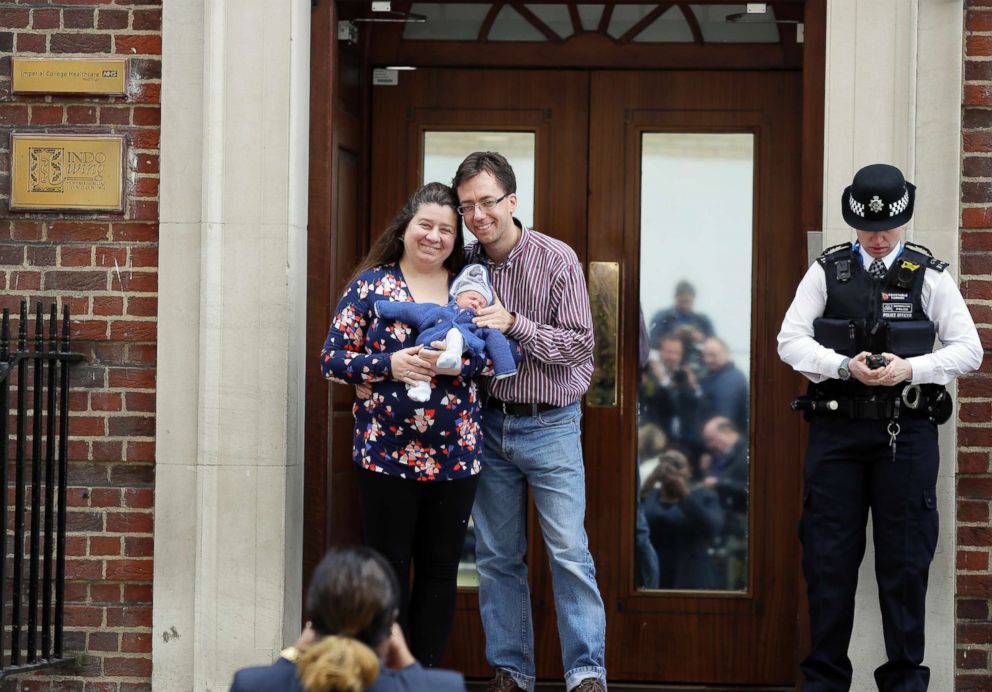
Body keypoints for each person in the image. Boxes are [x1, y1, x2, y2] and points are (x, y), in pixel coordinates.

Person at [777, 163, 982, 691]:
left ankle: (905, 682)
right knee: (828, 563)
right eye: (868, 229)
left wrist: (911, 368)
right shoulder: (827, 271)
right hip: (837, 434)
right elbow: (790, 341)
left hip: (905, 436)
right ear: (854, 221)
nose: (877, 238)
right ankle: (824, 681)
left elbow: (969, 350)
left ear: (903, 221)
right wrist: (843, 366)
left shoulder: (929, 274)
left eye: (887, 228)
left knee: (905, 563)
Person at [453, 151, 607, 692]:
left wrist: (514, 324)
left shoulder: (556, 259)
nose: (477, 215)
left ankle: (586, 673)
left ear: (512, 201)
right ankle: (511, 671)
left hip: (551, 425)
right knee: (496, 556)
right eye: (467, 205)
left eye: (487, 202)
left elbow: (580, 346)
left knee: (568, 552)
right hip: (487, 425)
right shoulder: (462, 261)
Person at [319, 182, 490, 667]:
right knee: (388, 570)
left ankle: (426, 676)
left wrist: (456, 362)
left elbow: (495, 358)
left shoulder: (469, 289)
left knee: (440, 574)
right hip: (385, 455)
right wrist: (387, 365)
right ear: (405, 228)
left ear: (456, 240)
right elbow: (332, 359)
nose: (434, 237)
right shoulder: (372, 285)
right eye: (426, 226)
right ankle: (389, 677)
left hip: (457, 457)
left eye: (446, 230)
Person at [230, 546, 466, 692]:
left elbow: (272, 683)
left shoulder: (251, 684)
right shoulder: (444, 687)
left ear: (311, 622)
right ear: (392, 625)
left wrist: (291, 656)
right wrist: (410, 667)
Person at [374, 263, 517, 401]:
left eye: (481, 303)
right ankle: (420, 388)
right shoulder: (438, 311)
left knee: (455, 334)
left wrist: (505, 367)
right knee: (420, 367)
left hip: (462, 346)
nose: (476, 304)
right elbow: (409, 310)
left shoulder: (478, 324)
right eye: (473, 298)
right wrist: (381, 308)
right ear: (457, 297)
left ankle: (452, 355)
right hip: (428, 347)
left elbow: (497, 339)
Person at [640, 450, 723, 590]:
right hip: (655, 574)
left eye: (678, 466)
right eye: (665, 465)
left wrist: (684, 494)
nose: (672, 471)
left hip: (692, 576)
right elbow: (634, 518)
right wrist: (651, 480)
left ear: (689, 471)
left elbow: (712, 528)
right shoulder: (651, 496)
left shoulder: (704, 496)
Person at [698, 336, 749, 435]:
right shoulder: (712, 376)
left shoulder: (730, 379)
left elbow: (723, 418)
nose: (708, 360)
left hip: (722, 439)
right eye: (705, 355)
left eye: (713, 355)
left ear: (726, 354)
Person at [648, 279, 715, 346]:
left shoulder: (703, 320)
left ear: (693, 299)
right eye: (682, 300)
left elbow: (714, 344)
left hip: (695, 354)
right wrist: (673, 336)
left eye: (687, 301)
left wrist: (701, 338)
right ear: (676, 297)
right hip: (668, 355)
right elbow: (652, 341)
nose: (685, 303)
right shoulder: (662, 317)